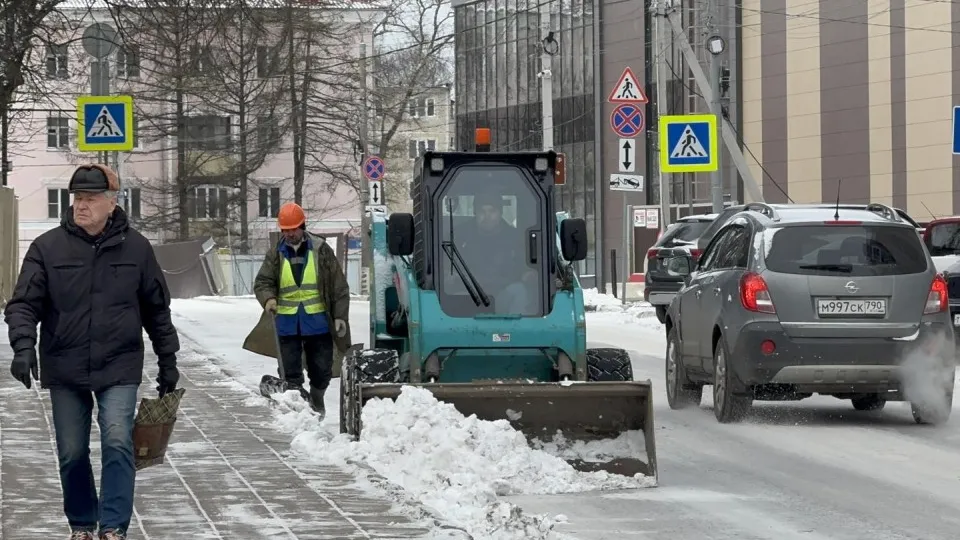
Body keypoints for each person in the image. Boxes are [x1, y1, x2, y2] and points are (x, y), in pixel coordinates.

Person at [3, 164, 180, 540]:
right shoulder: (47, 248)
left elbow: (156, 311)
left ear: (111, 203)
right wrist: (23, 346)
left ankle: (113, 526)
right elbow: (22, 304)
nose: (81, 206)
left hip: (119, 363)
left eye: (90, 199)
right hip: (64, 363)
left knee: (118, 439)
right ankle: (83, 523)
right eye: (77, 199)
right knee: (71, 451)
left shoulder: (137, 248)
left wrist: (169, 361)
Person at [253, 202, 350, 417]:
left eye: (293, 229)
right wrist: (268, 298)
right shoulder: (275, 254)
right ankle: (298, 411)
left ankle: (316, 399)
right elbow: (262, 282)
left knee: (322, 370)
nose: (289, 234)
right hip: (287, 324)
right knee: (289, 373)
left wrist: (340, 316)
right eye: (285, 230)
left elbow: (338, 286)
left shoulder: (321, 251)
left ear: (302, 226)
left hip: (318, 323)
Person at [458, 192, 536, 314]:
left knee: (519, 290)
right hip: (468, 294)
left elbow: (526, 266)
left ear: (500, 213)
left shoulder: (516, 239)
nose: (487, 216)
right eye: (482, 211)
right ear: (475, 213)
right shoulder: (459, 237)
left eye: (492, 211)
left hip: (503, 293)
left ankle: (517, 330)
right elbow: (446, 267)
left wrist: (528, 274)